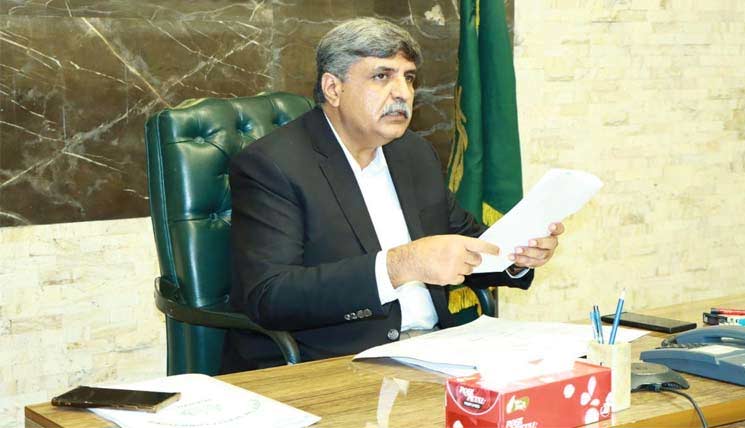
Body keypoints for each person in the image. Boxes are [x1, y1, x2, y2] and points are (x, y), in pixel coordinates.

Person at [221, 17, 564, 372]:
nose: (402, 92)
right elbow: (271, 295)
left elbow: (468, 241)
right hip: (334, 362)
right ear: (333, 88)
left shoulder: (413, 153)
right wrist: (400, 266)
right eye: (382, 76)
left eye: (409, 78)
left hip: (437, 351)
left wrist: (516, 255)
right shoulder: (273, 165)